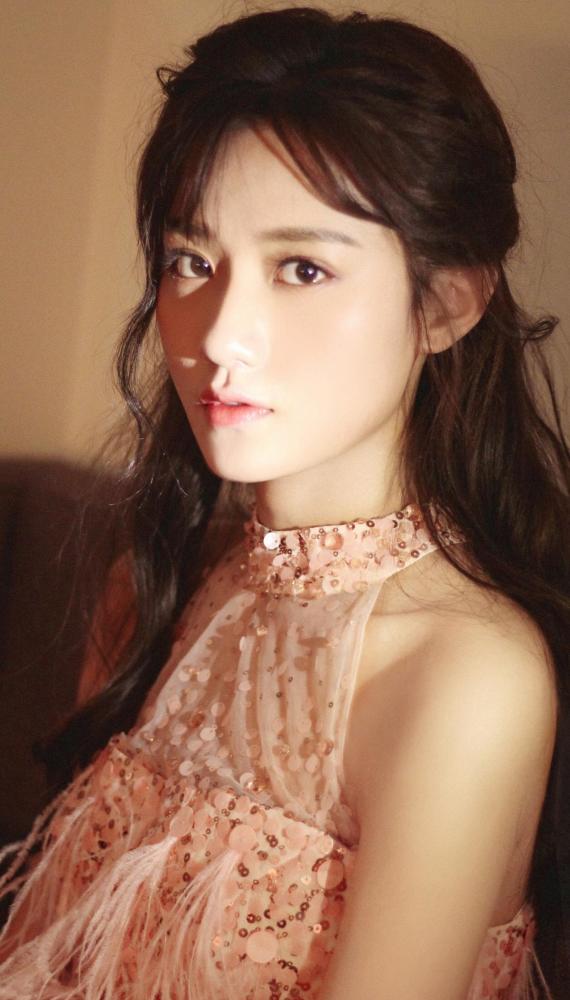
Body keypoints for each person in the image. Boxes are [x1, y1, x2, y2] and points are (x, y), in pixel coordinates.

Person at [0, 6, 568, 998]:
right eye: (192, 259)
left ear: (448, 302)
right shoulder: (151, 589)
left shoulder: (464, 679)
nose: (221, 335)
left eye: (302, 268)